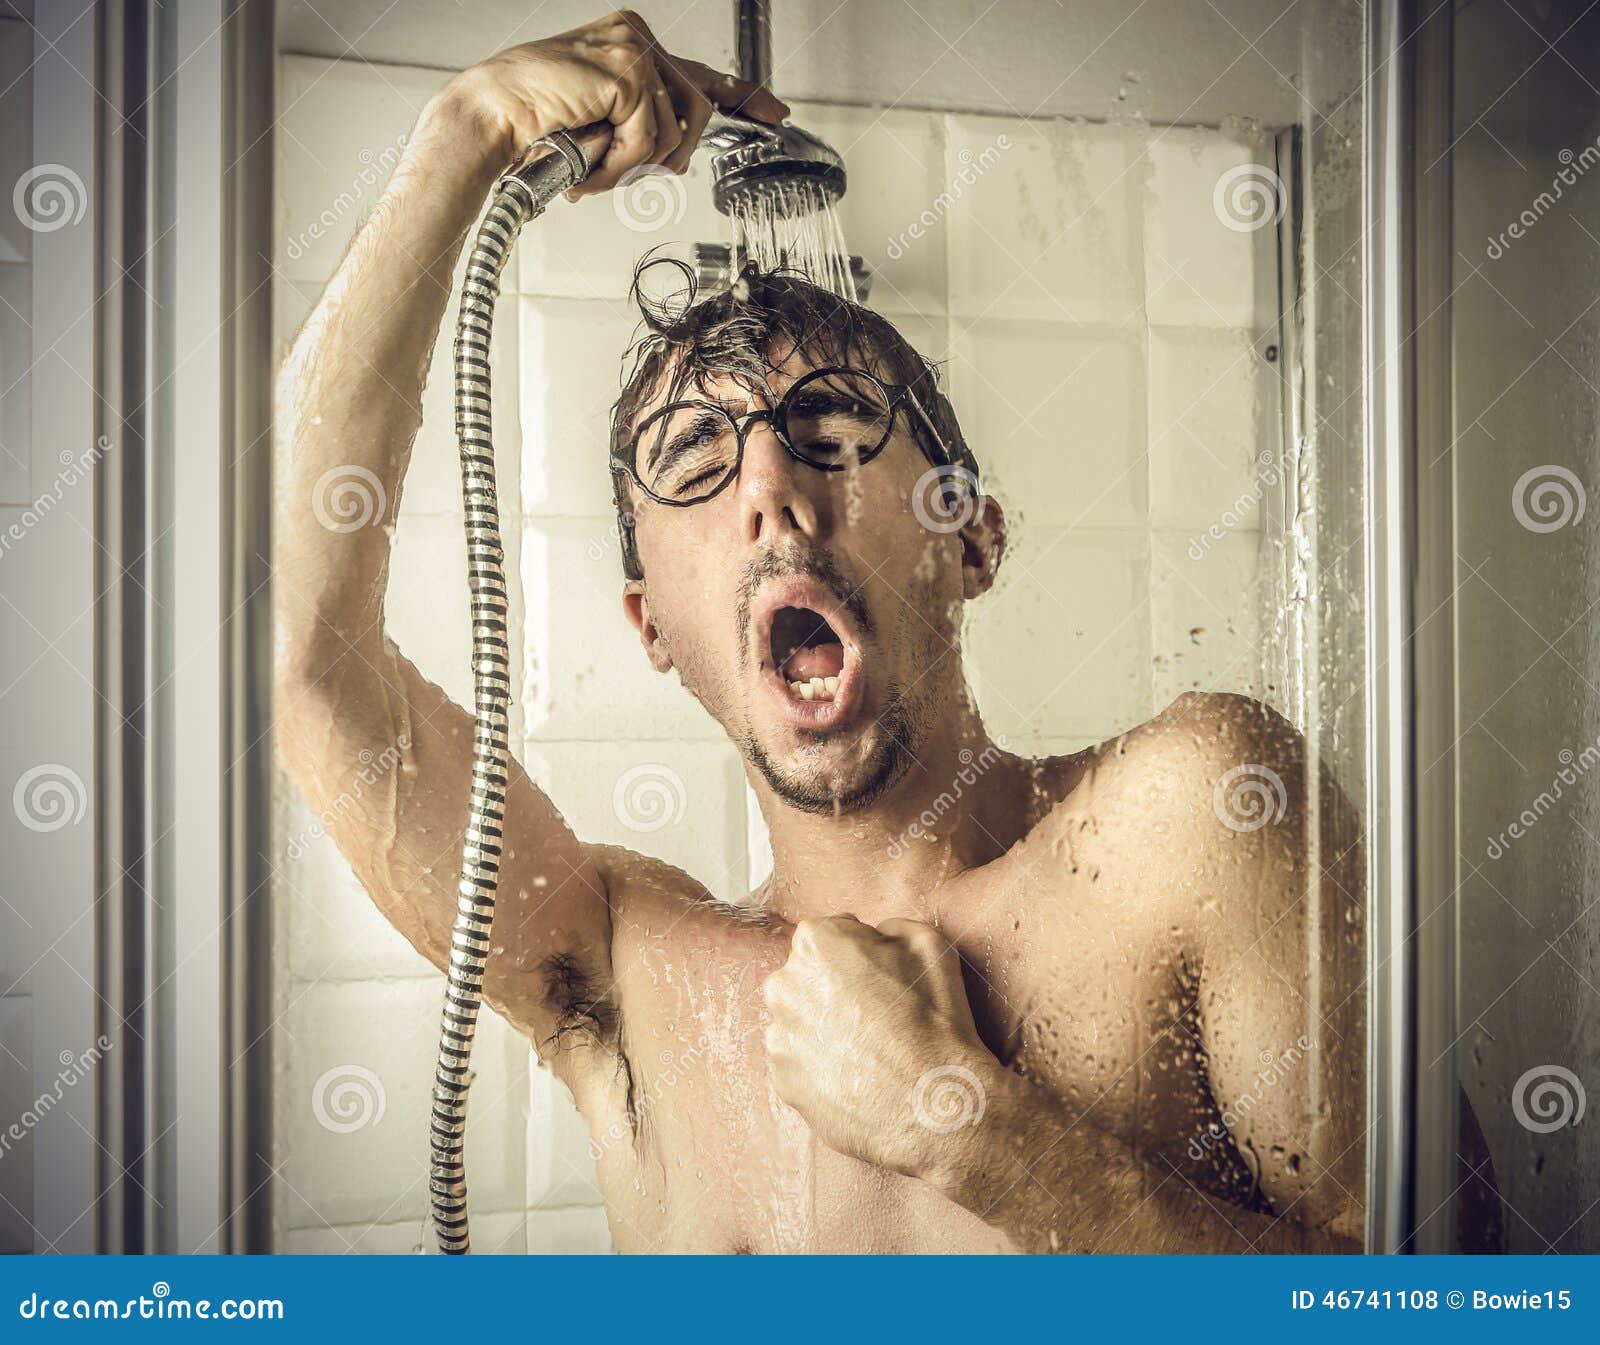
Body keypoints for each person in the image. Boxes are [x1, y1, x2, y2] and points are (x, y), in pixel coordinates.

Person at [275, 9, 1371, 1253]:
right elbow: (292, 648)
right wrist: (463, 134)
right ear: (650, 626)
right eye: (693, 455)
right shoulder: (623, 970)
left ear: (970, 538)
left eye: (836, 426)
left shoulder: (1195, 817)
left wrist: (977, 1133)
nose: (769, 488)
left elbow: (1452, 1285)